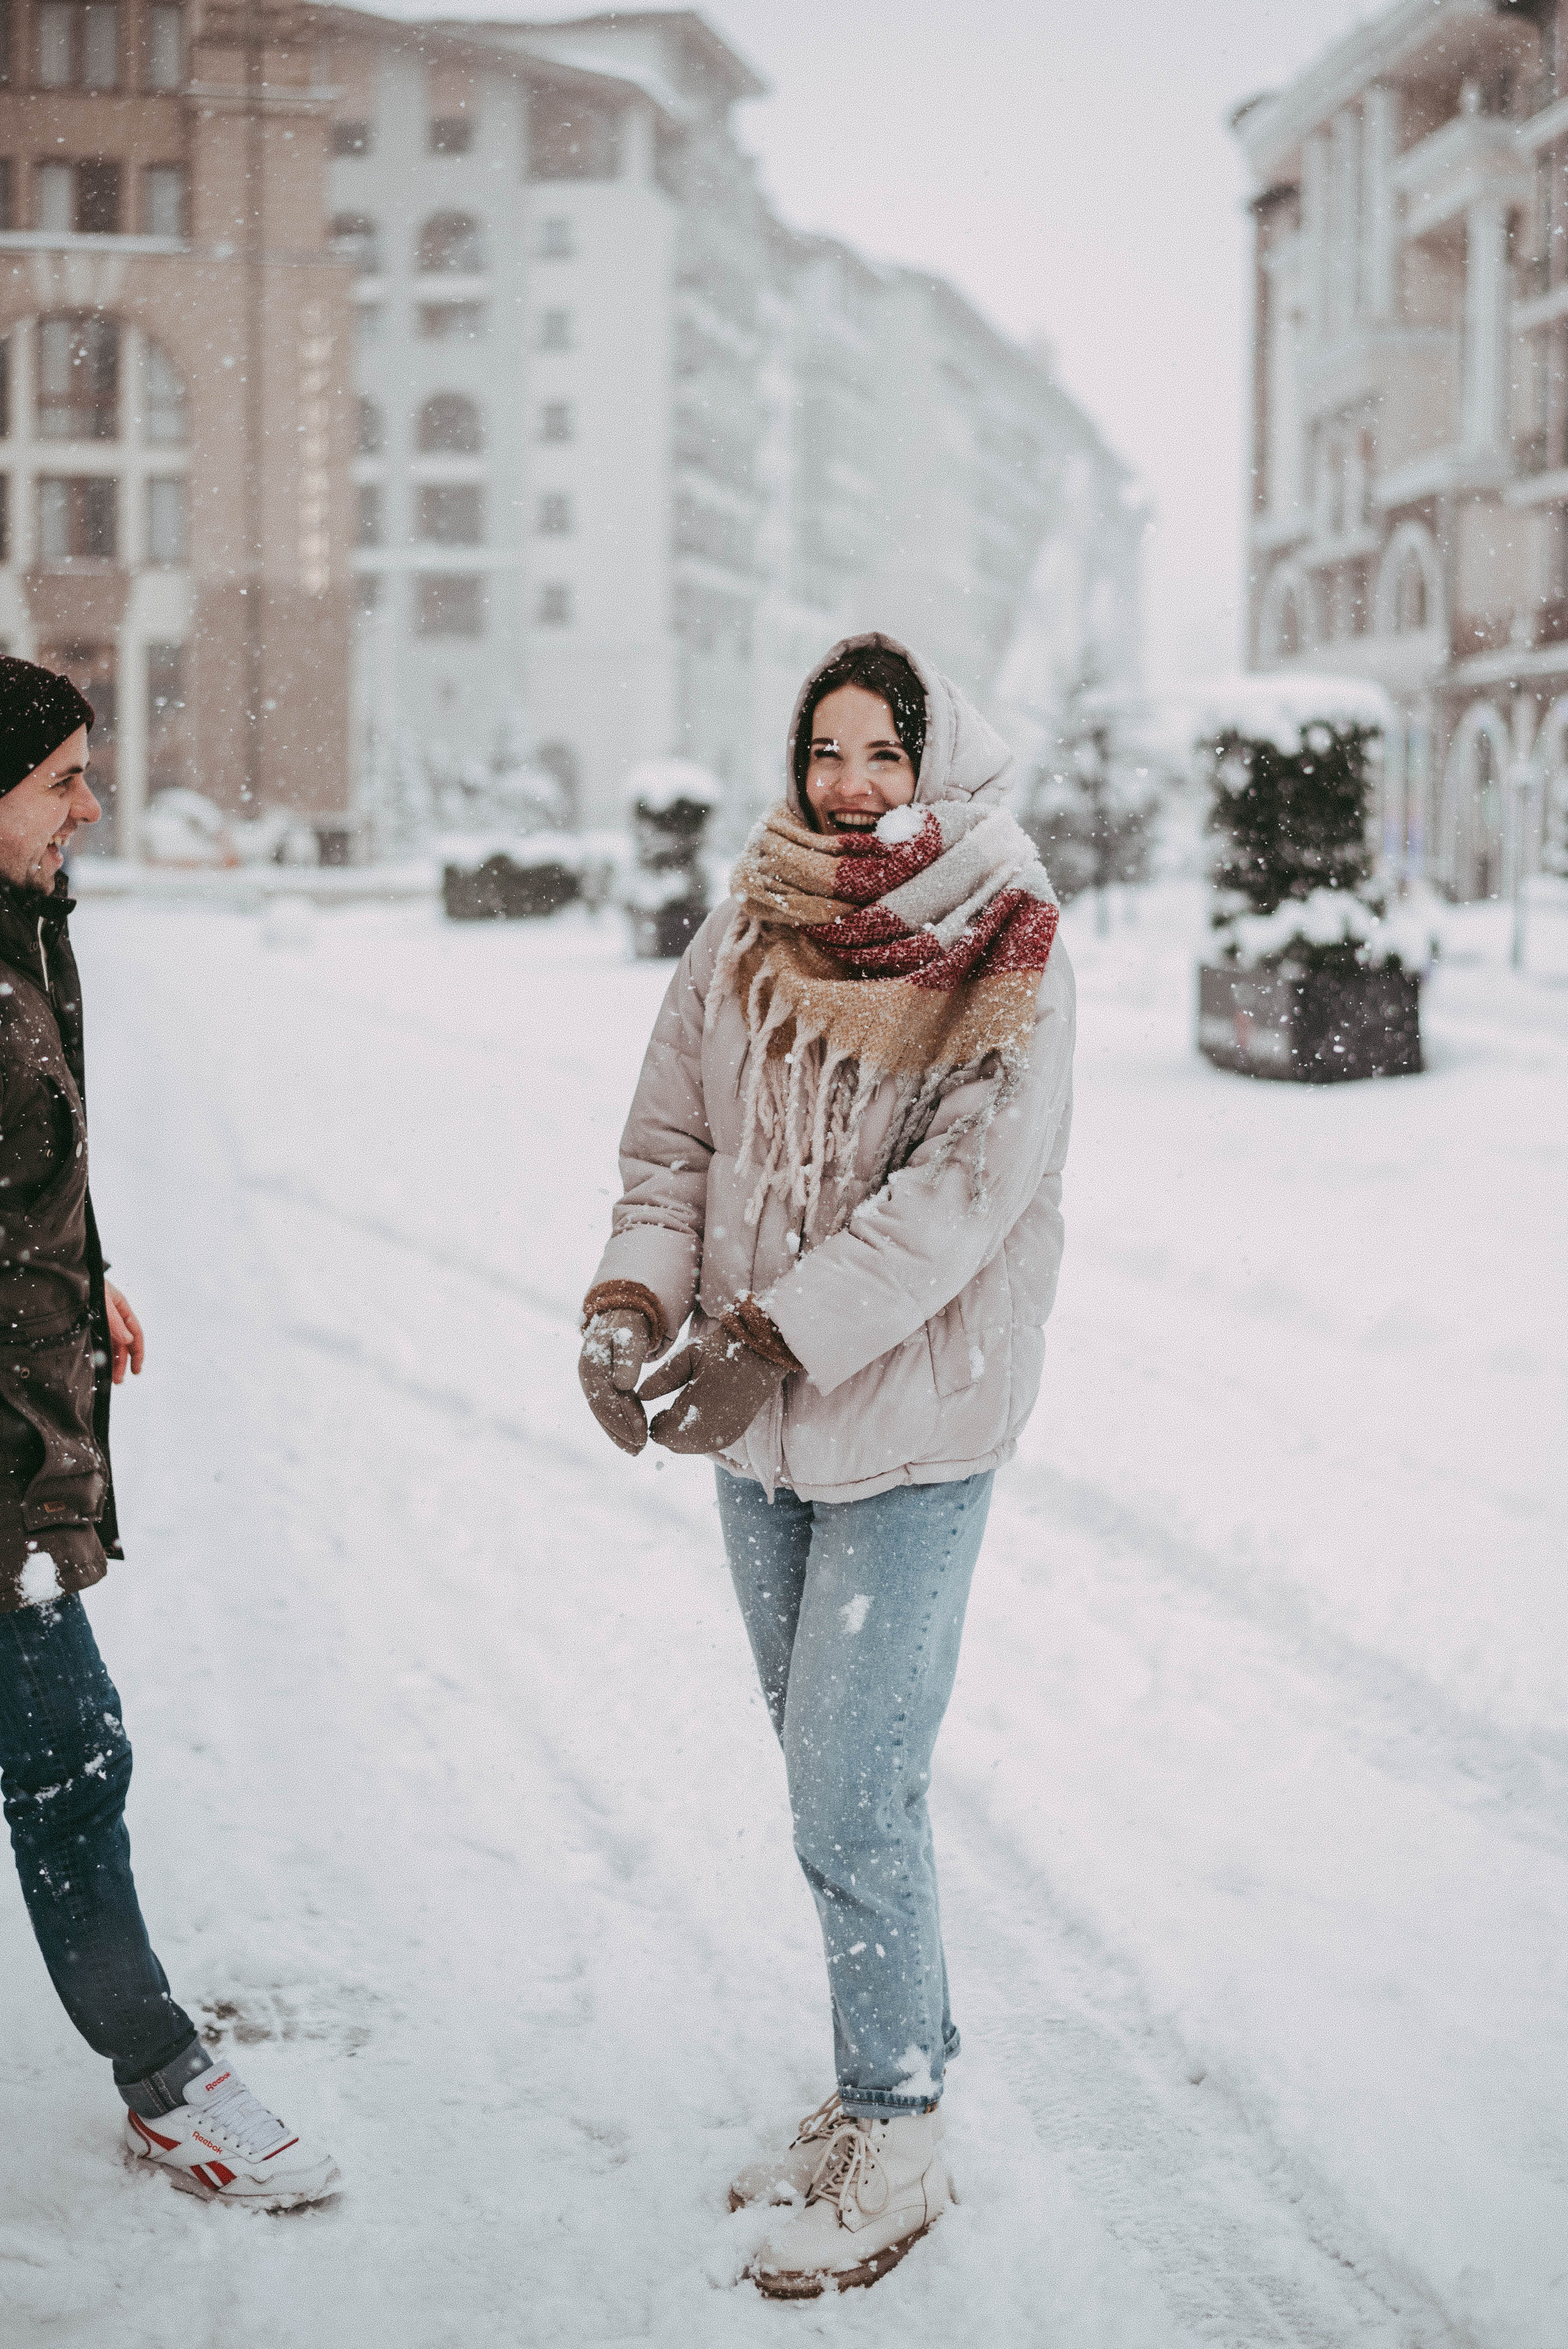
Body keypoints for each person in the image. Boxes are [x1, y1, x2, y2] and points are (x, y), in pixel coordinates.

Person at [579, 633, 1075, 2297]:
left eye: (885, 752)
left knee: (857, 1784)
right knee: (822, 1770)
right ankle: (891, 2063)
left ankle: (898, 2123)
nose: (852, 783)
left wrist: (772, 1336)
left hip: (912, 1419)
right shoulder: (746, 923)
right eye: (829, 751)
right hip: (758, 1426)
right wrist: (632, 1300)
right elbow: (677, 1145)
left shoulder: (1004, 933)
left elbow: (963, 1195)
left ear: (936, 762)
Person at [0, 656, 337, 2209]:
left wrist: (90, 1272)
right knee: (70, 1759)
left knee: (70, 1755)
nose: (92, 802)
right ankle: (162, 2073)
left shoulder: (23, 935)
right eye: (62, 776)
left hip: (26, 1422)